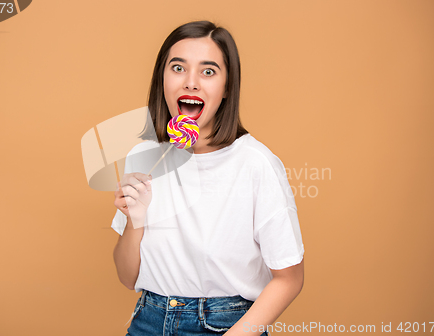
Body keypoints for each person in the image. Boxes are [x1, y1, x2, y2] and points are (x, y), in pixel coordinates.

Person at [112, 20, 305, 336]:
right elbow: (127, 278)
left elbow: (290, 278)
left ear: (228, 86)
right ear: (162, 77)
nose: (191, 83)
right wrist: (136, 220)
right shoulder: (143, 156)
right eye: (178, 68)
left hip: (225, 325)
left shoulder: (256, 163)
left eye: (208, 71)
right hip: (148, 320)